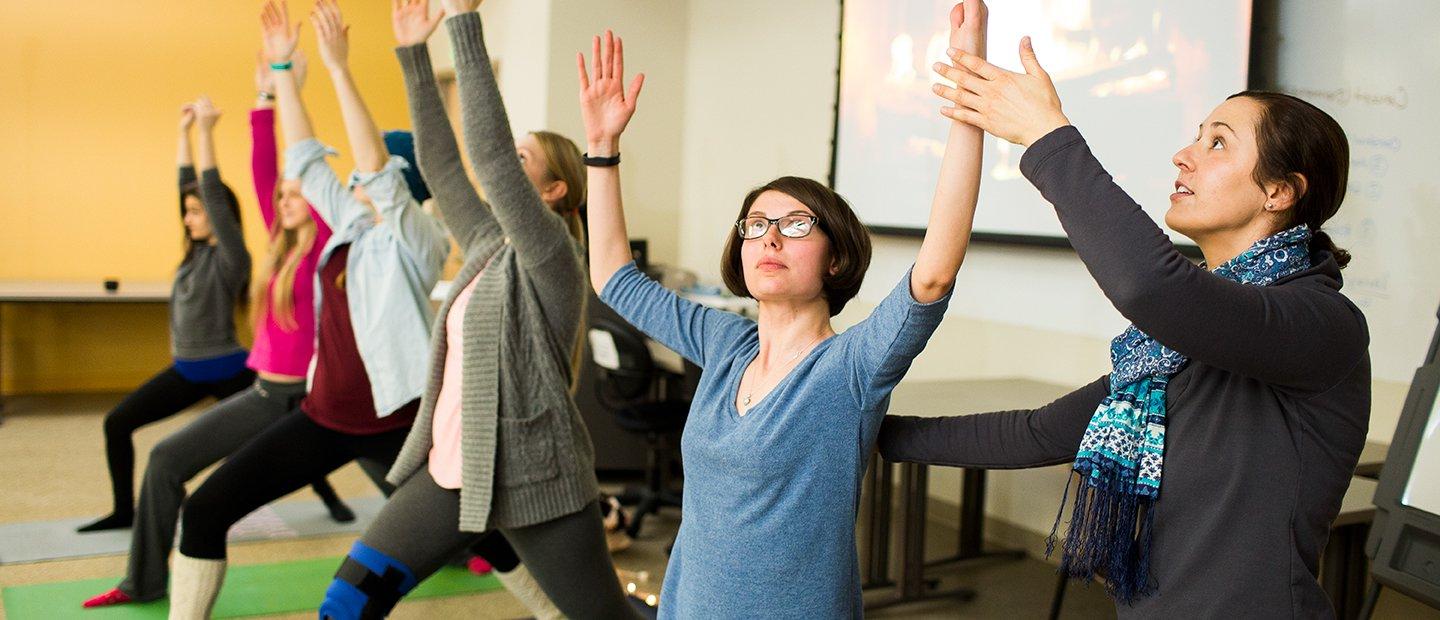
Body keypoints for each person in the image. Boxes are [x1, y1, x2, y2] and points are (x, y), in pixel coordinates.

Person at [878, 36, 1370, 618]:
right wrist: (860, 429)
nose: (1183, 156)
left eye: (1217, 144)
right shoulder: (1169, 349)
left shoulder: (1320, 323)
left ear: (1280, 191)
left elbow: (1153, 288)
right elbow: (1038, 434)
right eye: (1196, 136)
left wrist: (1047, 139)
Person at [583, 3, 989, 616]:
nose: (770, 238)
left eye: (796, 224)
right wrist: (602, 147)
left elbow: (932, 275)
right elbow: (614, 276)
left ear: (835, 258)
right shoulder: (725, 345)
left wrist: (968, 103)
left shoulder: (851, 368)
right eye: (756, 225)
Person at [166, 2, 556, 618]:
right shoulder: (347, 228)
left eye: (374, 177)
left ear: (403, 184)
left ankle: (556, 610)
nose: (352, 180)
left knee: (487, 529)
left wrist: (340, 69)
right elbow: (303, 160)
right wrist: (284, 68)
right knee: (204, 510)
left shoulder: (418, 239)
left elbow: (372, 167)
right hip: (326, 416)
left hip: (399, 423)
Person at [316, 1, 640, 618]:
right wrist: (414, 54)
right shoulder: (490, 248)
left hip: (537, 484)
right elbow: (441, 167)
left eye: (524, 162)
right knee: (346, 603)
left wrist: (465, 26)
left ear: (553, 192)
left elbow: (488, 162)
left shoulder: (554, 256)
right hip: (451, 475)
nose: (503, 170)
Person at [82, 91, 352, 609]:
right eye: (280, 197)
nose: (283, 199)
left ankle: (475, 546)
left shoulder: (323, 244)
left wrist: (270, 94)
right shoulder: (278, 246)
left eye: (295, 194)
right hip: (267, 393)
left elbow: (264, 169)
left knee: (404, 477)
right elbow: (261, 174)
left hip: (317, 399)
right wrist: (260, 97)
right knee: (164, 460)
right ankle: (142, 582)